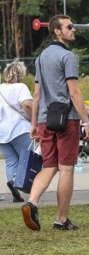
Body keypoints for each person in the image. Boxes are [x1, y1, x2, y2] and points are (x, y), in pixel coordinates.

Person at [21, 15, 89, 231]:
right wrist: (86, 122)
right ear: (57, 31)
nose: (74, 30)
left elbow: (36, 93)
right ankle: (61, 219)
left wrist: (34, 123)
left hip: (44, 119)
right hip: (66, 120)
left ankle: (32, 202)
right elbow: (74, 92)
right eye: (69, 27)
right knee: (66, 169)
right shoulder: (68, 57)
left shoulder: (41, 57)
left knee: (49, 165)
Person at [0, 61, 33, 203]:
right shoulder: (21, 87)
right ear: (21, 74)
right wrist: (33, 119)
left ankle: (15, 192)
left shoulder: (0, 88)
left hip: (2, 132)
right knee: (28, 159)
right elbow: (26, 104)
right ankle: (24, 185)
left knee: (11, 161)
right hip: (19, 129)